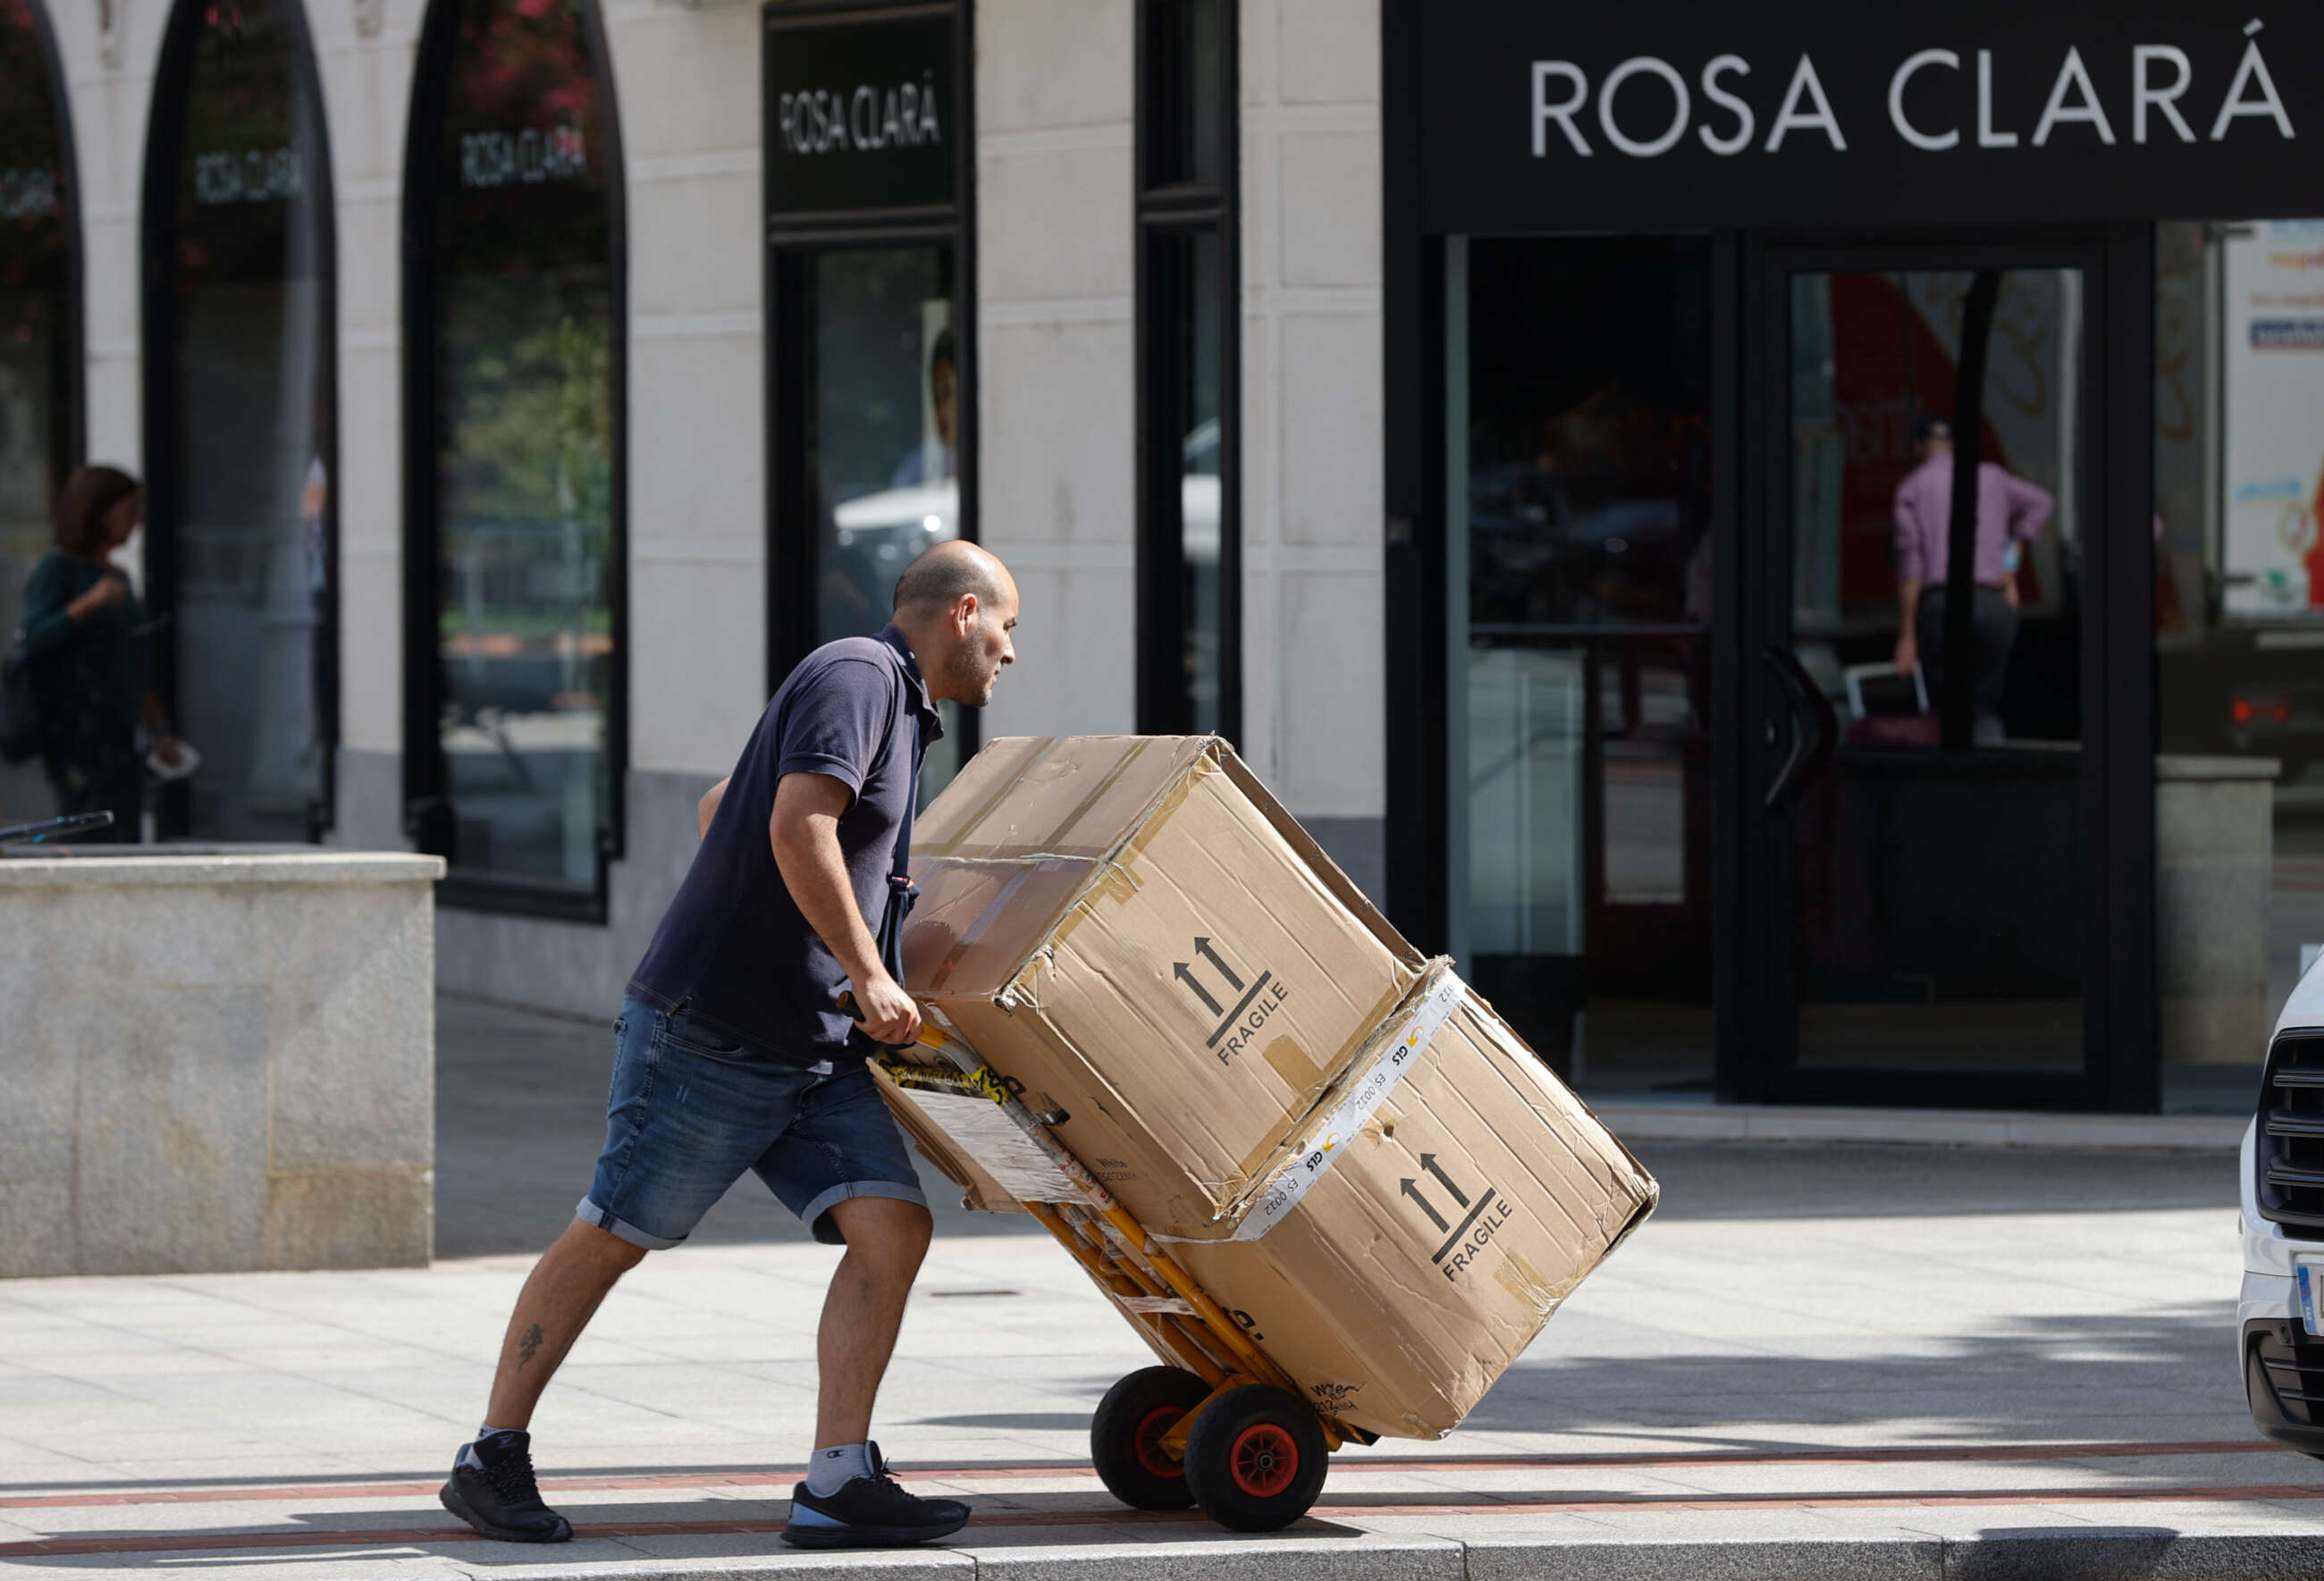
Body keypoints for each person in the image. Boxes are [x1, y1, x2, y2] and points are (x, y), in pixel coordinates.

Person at [438, 540, 1019, 1553]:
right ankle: (490, 1455)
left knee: (893, 1229)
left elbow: (727, 807)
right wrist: (866, 969)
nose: (1010, 652)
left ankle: (837, 1480)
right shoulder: (858, 674)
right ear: (963, 612)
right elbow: (798, 827)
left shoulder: (896, 705)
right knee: (613, 1232)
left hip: (814, 1047)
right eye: (1007, 627)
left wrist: (849, 949)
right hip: (711, 1035)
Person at [14, 467, 182, 840]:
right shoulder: (58, 568)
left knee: (123, 830)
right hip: (76, 735)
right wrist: (88, 604)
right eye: (130, 509)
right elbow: (33, 639)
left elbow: (137, 661)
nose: (137, 521)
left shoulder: (119, 577)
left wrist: (159, 729)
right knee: (85, 830)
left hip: (121, 734)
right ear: (101, 512)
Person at [1890, 416, 2053, 743]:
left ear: (1918, 447)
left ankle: (1953, 770)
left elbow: (1912, 569)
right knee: (1986, 704)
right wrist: (2011, 561)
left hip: (1943, 603)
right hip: (1993, 602)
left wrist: (1907, 635)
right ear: (1951, 445)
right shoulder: (1992, 477)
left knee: (1947, 706)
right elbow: (2042, 503)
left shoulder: (1912, 488)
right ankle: (1993, 766)